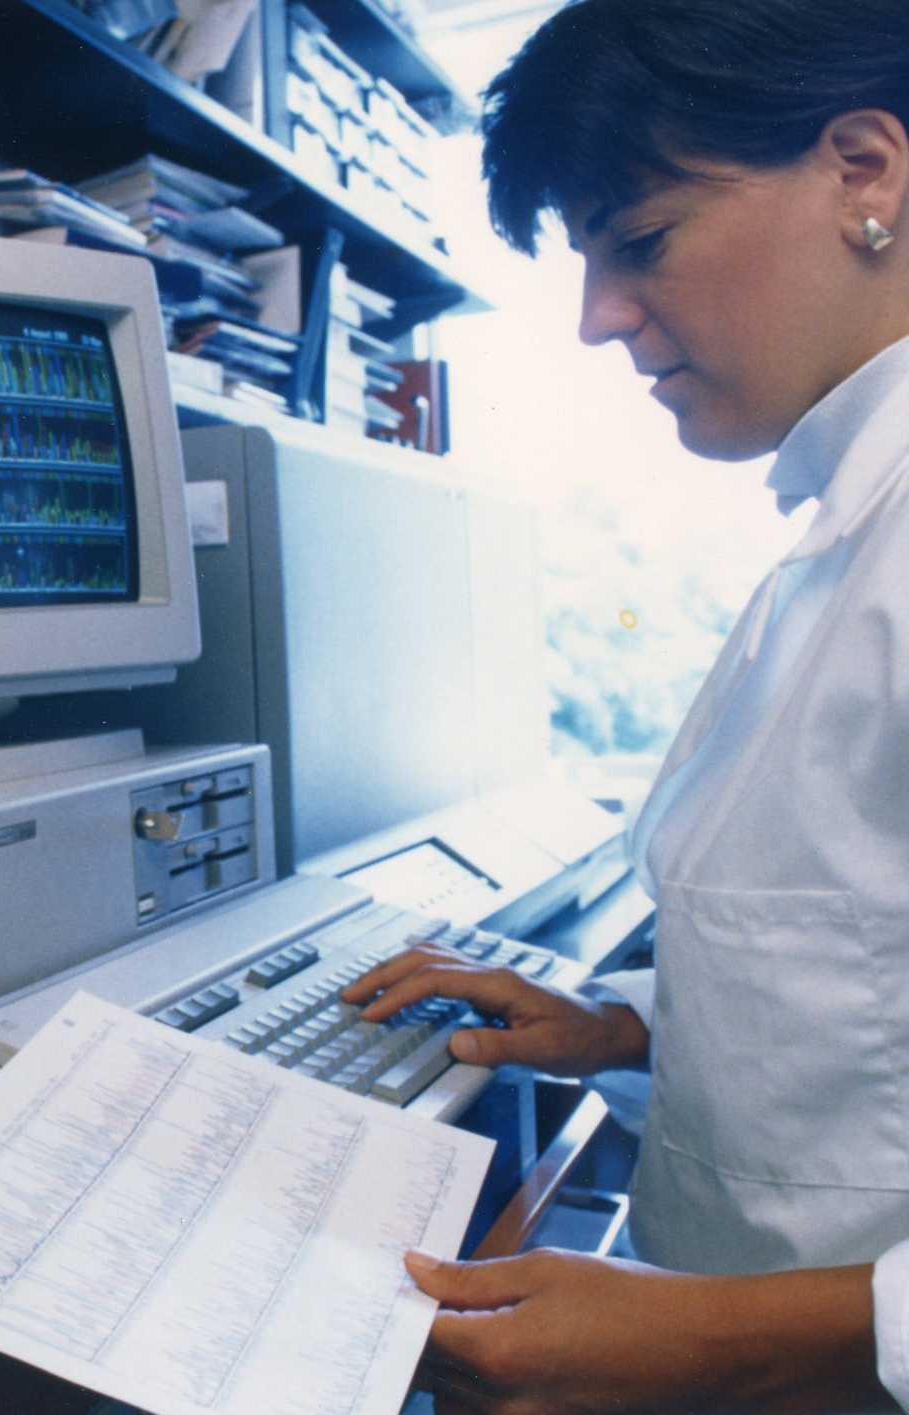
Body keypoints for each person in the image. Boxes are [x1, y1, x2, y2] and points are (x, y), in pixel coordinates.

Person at [337, 0, 909, 1409]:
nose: (599, 319)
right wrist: (628, 1025)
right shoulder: (841, 523)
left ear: (865, 173)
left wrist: (726, 1341)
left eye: (639, 240)